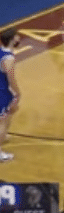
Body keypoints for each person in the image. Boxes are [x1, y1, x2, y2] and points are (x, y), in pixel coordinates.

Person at [0, 29, 21, 162]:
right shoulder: (9, 58)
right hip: (2, 92)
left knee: (11, 111)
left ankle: (4, 135)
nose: (19, 38)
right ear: (13, 39)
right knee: (2, 121)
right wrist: (18, 92)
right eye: (17, 36)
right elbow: (11, 78)